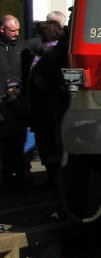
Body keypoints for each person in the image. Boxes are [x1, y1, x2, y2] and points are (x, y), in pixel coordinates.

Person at [26, 19, 69, 188]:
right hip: (55, 109)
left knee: (48, 145)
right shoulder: (61, 51)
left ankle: (54, 179)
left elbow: (40, 83)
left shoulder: (48, 56)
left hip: (46, 109)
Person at [0, 78, 30, 192]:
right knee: (6, 161)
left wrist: (14, 102)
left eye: (16, 88)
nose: (13, 90)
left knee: (18, 160)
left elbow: (24, 113)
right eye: (10, 88)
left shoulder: (23, 101)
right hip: (5, 135)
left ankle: (20, 182)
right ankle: (7, 184)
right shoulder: (3, 102)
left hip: (18, 135)